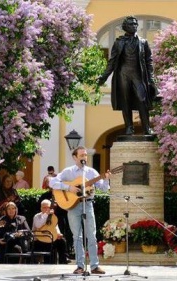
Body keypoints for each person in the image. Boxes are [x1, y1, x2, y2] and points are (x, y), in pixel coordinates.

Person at [49, 146, 111, 275]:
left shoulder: (91, 172)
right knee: (77, 236)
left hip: (87, 205)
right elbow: (52, 182)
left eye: (86, 155)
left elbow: (104, 189)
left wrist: (106, 179)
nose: (84, 157)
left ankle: (94, 266)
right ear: (75, 157)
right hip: (73, 206)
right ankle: (80, 266)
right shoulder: (68, 171)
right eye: (82, 155)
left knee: (92, 236)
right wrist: (68, 188)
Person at [96, 16, 159, 135]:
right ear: (125, 27)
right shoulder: (118, 42)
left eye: (135, 24)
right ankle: (129, 127)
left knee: (142, 100)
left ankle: (147, 127)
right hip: (123, 75)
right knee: (126, 101)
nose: (134, 26)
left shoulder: (143, 42)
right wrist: (104, 76)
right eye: (131, 24)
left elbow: (149, 61)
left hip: (138, 75)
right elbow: (112, 61)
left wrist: (151, 79)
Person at [32, 199, 69, 264]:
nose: (46, 209)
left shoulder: (53, 217)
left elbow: (55, 227)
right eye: (44, 207)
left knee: (62, 241)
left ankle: (63, 261)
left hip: (50, 238)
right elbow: (38, 225)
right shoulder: (37, 216)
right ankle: (48, 263)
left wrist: (58, 233)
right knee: (48, 245)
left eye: (48, 207)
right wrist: (46, 214)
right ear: (41, 208)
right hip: (39, 239)